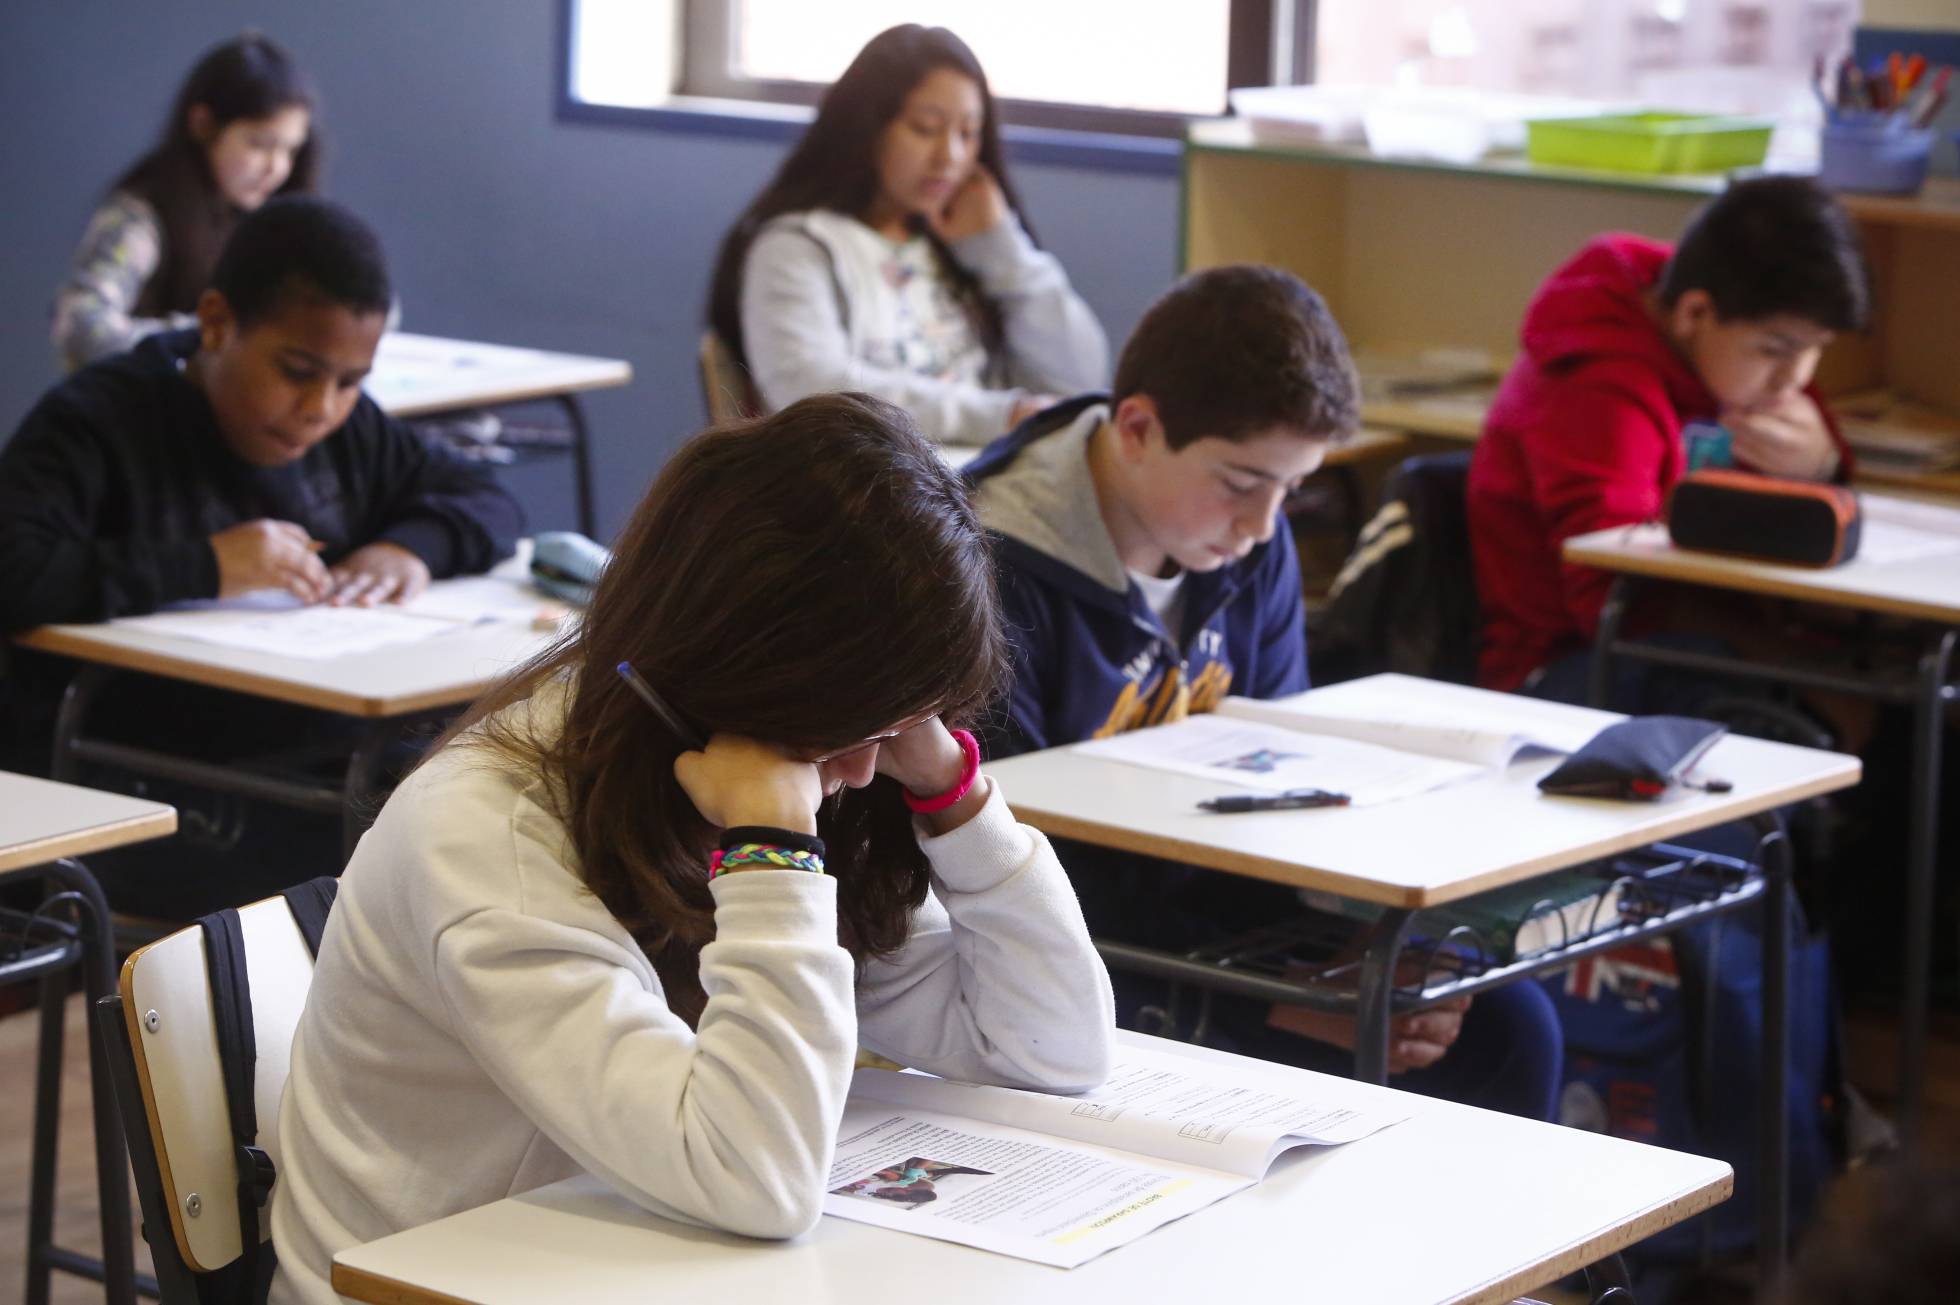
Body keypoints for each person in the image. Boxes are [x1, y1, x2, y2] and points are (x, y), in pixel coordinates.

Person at [269, 392, 1115, 1304]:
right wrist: (773, 856)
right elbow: (758, 1176)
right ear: (748, 671)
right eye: (851, 729)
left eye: (898, 727)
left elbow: (1051, 1049)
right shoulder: (492, 843)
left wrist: (954, 791)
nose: (867, 771)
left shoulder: (757, 772)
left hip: (621, 1264)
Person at [967, 264, 1563, 1120]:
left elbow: (1276, 780)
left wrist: (1349, 946)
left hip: (1228, 914)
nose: (1261, 528)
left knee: (1505, 1028)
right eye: (1243, 484)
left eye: (1293, 489)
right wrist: (1272, 1000)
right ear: (1136, 427)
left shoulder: (1247, 543)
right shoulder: (992, 572)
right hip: (1079, 956)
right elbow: (991, 867)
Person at [0, 196, 522, 917]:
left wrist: (411, 545)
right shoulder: (100, 422)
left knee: (488, 796)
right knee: (410, 848)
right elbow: (15, 571)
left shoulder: (345, 433)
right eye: (298, 369)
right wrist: (206, 565)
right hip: (149, 774)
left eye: (349, 382)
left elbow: (484, 496)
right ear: (216, 323)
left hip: (310, 754)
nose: (321, 406)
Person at [1468, 175, 1868, 698]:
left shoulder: (1736, 359)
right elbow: (1615, 599)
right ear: (1694, 313)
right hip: (1568, 666)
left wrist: (1823, 471)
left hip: (1717, 640)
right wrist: (1791, 661)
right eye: (1776, 349)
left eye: (1818, 349)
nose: (1795, 378)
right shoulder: (1598, 388)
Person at [705, 23, 1107, 445]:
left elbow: (1078, 380)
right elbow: (812, 389)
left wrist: (1004, 249)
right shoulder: (796, 248)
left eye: (968, 134)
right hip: (883, 494)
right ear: (867, 127)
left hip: (992, 479)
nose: (949, 156)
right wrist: (1000, 416)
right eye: (925, 128)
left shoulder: (963, 246)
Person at [51, 31, 319, 372]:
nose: (276, 168)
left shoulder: (277, 217)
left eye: (290, 150)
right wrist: (214, 334)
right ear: (203, 124)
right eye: (259, 144)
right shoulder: (140, 216)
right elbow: (81, 330)